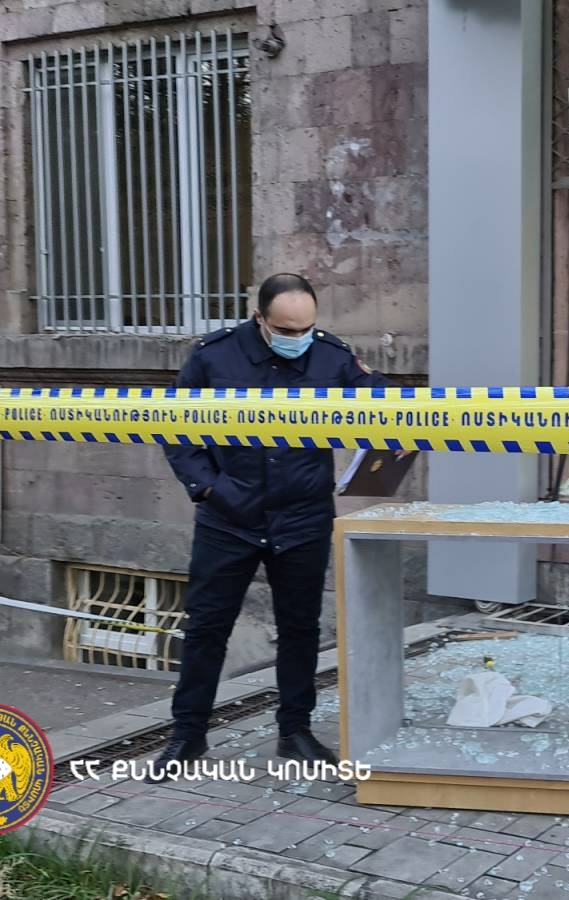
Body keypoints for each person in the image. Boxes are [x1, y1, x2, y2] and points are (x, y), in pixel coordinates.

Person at [149, 273, 390, 781]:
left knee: (300, 629)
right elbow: (174, 426)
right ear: (259, 318)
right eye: (285, 329)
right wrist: (209, 488)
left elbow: (383, 406)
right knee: (206, 628)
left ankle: (295, 731)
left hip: (302, 516)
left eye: (306, 328)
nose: (297, 338)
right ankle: (187, 735)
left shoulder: (331, 356)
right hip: (228, 517)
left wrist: (382, 402)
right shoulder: (214, 356)